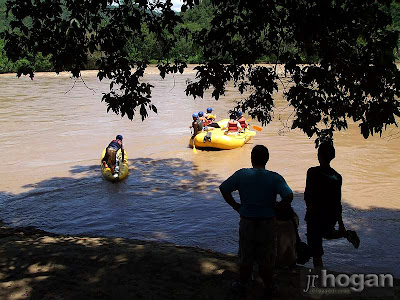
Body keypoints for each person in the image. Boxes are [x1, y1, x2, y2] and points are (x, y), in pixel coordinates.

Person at [219, 145, 293, 297]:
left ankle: (242, 284)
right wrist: (277, 209)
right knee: (266, 257)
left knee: (246, 256)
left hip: (247, 221)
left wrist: (236, 206)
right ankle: (269, 286)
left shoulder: (242, 174)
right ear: (267, 159)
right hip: (267, 222)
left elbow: (224, 189)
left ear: (251, 158)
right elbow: (289, 196)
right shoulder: (275, 177)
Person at [304, 142, 360, 270]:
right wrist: (341, 224)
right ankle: (345, 234)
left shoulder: (312, 172)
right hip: (330, 216)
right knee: (327, 233)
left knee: (316, 252)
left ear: (319, 156)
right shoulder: (337, 177)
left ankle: (319, 279)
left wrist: (310, 213)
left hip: (315, 216)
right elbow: (337, 202)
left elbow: (308, 196)